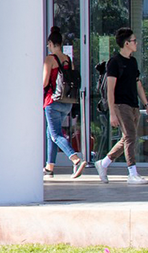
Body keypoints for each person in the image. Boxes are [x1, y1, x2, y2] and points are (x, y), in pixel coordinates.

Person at [97, 27, 148, 185]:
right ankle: (132, 173)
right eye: (134, 41)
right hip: (121, 106)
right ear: (127, 43)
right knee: (130, 137)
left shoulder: (133, 61)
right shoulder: (114, 62)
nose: (136, 43)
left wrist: (147, 105)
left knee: (127, 138)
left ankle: (103, 164)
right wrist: (112, 112)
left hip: (133, 105)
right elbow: (110, 89)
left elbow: (138, 85)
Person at [40, 27, 87, 179]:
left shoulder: (50, 59)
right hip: (66, 102)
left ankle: (75, 159)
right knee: (50, 134)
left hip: (52, 102)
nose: (48, 47)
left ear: (51, 43)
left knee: (55, 135)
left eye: (48, 44)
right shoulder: (68, 60)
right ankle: (49, 167)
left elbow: (44, 82)